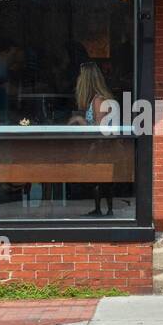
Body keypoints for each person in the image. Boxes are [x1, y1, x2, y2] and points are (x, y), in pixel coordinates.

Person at [73, 61, 115, 216]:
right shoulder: (97, 99)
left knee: (100, 178)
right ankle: (101, 208)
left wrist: (79, 121)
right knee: (99, 179)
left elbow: (100, 127)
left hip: (101, 147)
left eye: (80, 76)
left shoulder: (98, 100)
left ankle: (106, 209)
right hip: (101, 146)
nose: (78, 80)